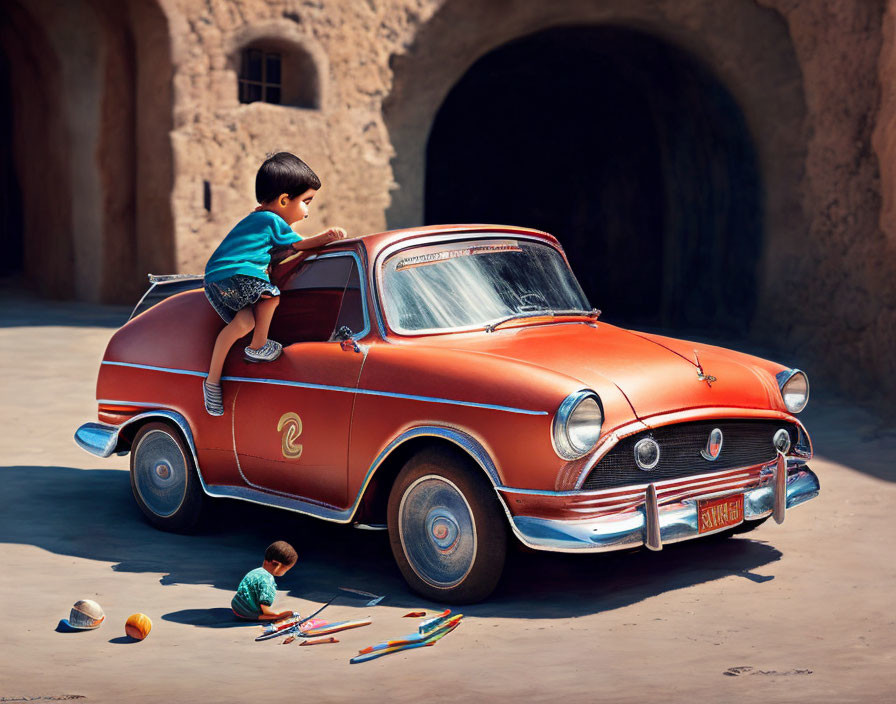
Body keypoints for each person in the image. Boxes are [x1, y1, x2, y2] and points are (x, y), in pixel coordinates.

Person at [202, 152, 347, 416]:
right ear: (283, 200)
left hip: (216, 277)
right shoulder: (272, 219)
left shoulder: (256, 220)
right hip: (236, 272)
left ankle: (212, 381)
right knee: (271, 296)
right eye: (306, 202)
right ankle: (258, 346)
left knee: (243, 323)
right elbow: (300, 244)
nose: (306, 212)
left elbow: (281, 253)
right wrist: (328, 236)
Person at [232, 540, 299, 621]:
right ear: (277, 564)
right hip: (245, 613)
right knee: (281, 616)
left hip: (235, 606)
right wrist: (276, 616)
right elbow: (265, 606)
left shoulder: (255, 571)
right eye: (286, 569)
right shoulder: (268, 581)